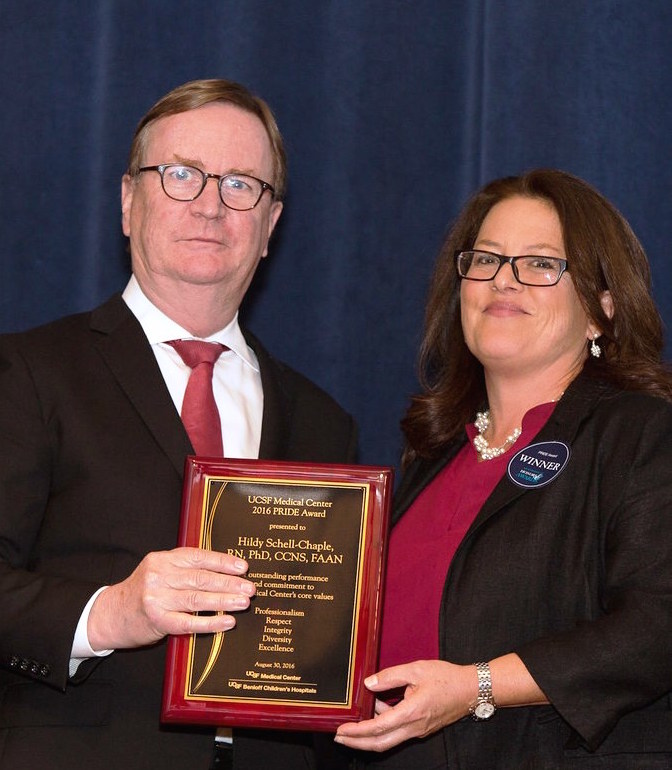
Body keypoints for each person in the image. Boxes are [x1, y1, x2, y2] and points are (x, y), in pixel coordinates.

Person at [0, 79, 356, 770]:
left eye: (241, 185)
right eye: (182, 175)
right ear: (129, 202)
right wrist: (108, 614)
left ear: (270, 225)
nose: (210, 206)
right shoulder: (27, 372)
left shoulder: (323, 421)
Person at [331, 169, 672, 768]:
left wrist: (475, 689)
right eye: (485, 260)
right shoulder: (430, 456)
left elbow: (656, 626)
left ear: (602, 310)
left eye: (540, 264)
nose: (503, 281)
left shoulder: (643, 435)